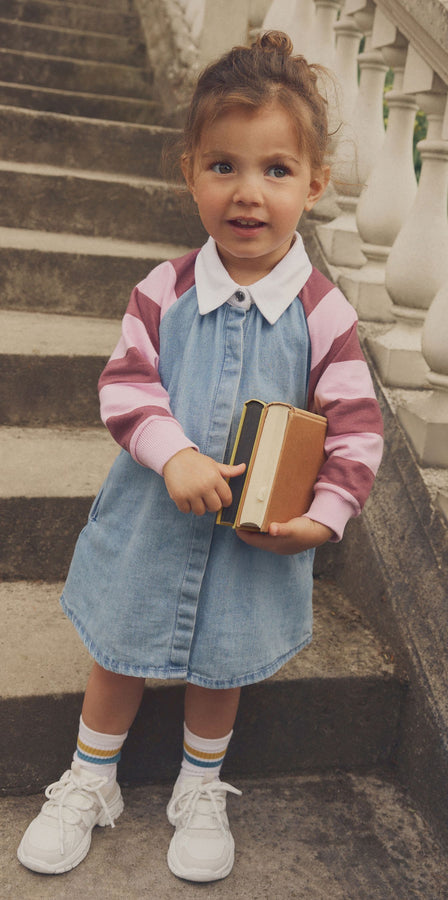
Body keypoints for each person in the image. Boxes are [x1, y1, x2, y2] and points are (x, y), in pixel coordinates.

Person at [17, 31, 384, 883]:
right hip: (153, 517)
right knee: (119, 646)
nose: (248, 193)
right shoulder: (163, 290)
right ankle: (90, 778)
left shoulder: (324, 314)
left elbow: (358, 427)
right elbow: (125, 385)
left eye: (276, 170)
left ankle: (202, 786)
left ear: (315, 184)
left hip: (257, 537)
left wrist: (322, 519)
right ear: (189, 172)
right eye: (223, 166)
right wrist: (173, 452)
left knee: (224, 660)